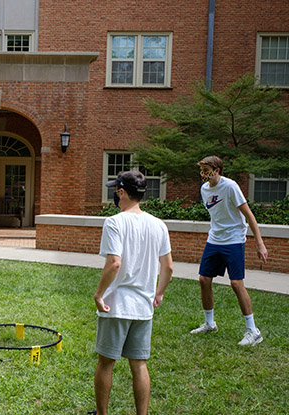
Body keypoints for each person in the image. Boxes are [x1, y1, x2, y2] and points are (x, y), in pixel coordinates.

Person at [92, 171, 173, 415]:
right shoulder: (159, 224)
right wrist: (158, 293)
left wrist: (98, 295)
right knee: (139, 365)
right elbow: (168, 267)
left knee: (106, 362)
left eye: (115, 190)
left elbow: (114, 263)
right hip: (143, 307)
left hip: (116, 305)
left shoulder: (114, 222)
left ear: (122, 192)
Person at [191, 156, 268, 346]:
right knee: (203, 279)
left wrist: (260, 243)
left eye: (206, 170)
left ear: (217, 170)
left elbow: (248, 215)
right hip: (214, 239)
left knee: (236, 283)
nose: (203, 174)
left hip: (233, 239)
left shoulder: (230, 187)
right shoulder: (204, 189)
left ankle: (253, 331)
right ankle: (209, 324)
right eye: (201, 170)